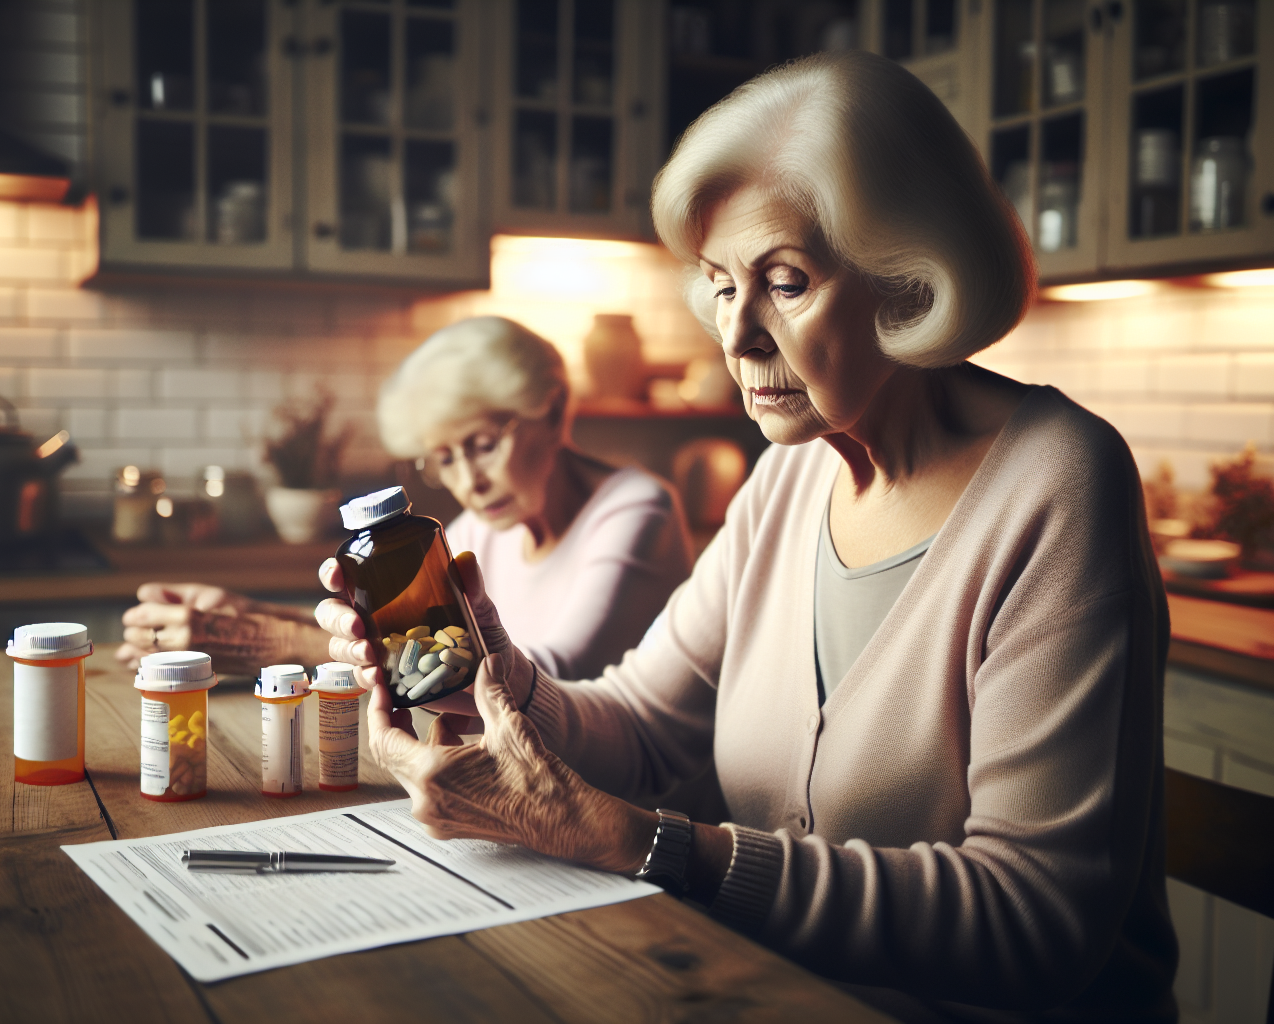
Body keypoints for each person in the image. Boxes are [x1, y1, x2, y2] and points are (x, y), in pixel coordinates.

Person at [316, 51, 1176, 1023]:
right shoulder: (789, 476)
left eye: (786, 281)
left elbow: (1035, 922)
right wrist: (499, 677)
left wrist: (655, 847)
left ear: (905, 284)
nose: (737, 336)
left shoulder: (1057, 481)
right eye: (724, 285)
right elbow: (640, 726)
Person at [115, 316, 693, 683]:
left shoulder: (637, 510)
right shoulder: (484, 527)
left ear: (555, 408)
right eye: (443, 457)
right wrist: (245, 614)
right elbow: (403, 632)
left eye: (484, 445)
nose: (468, 481)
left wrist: (282, 644)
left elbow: (546, 674)